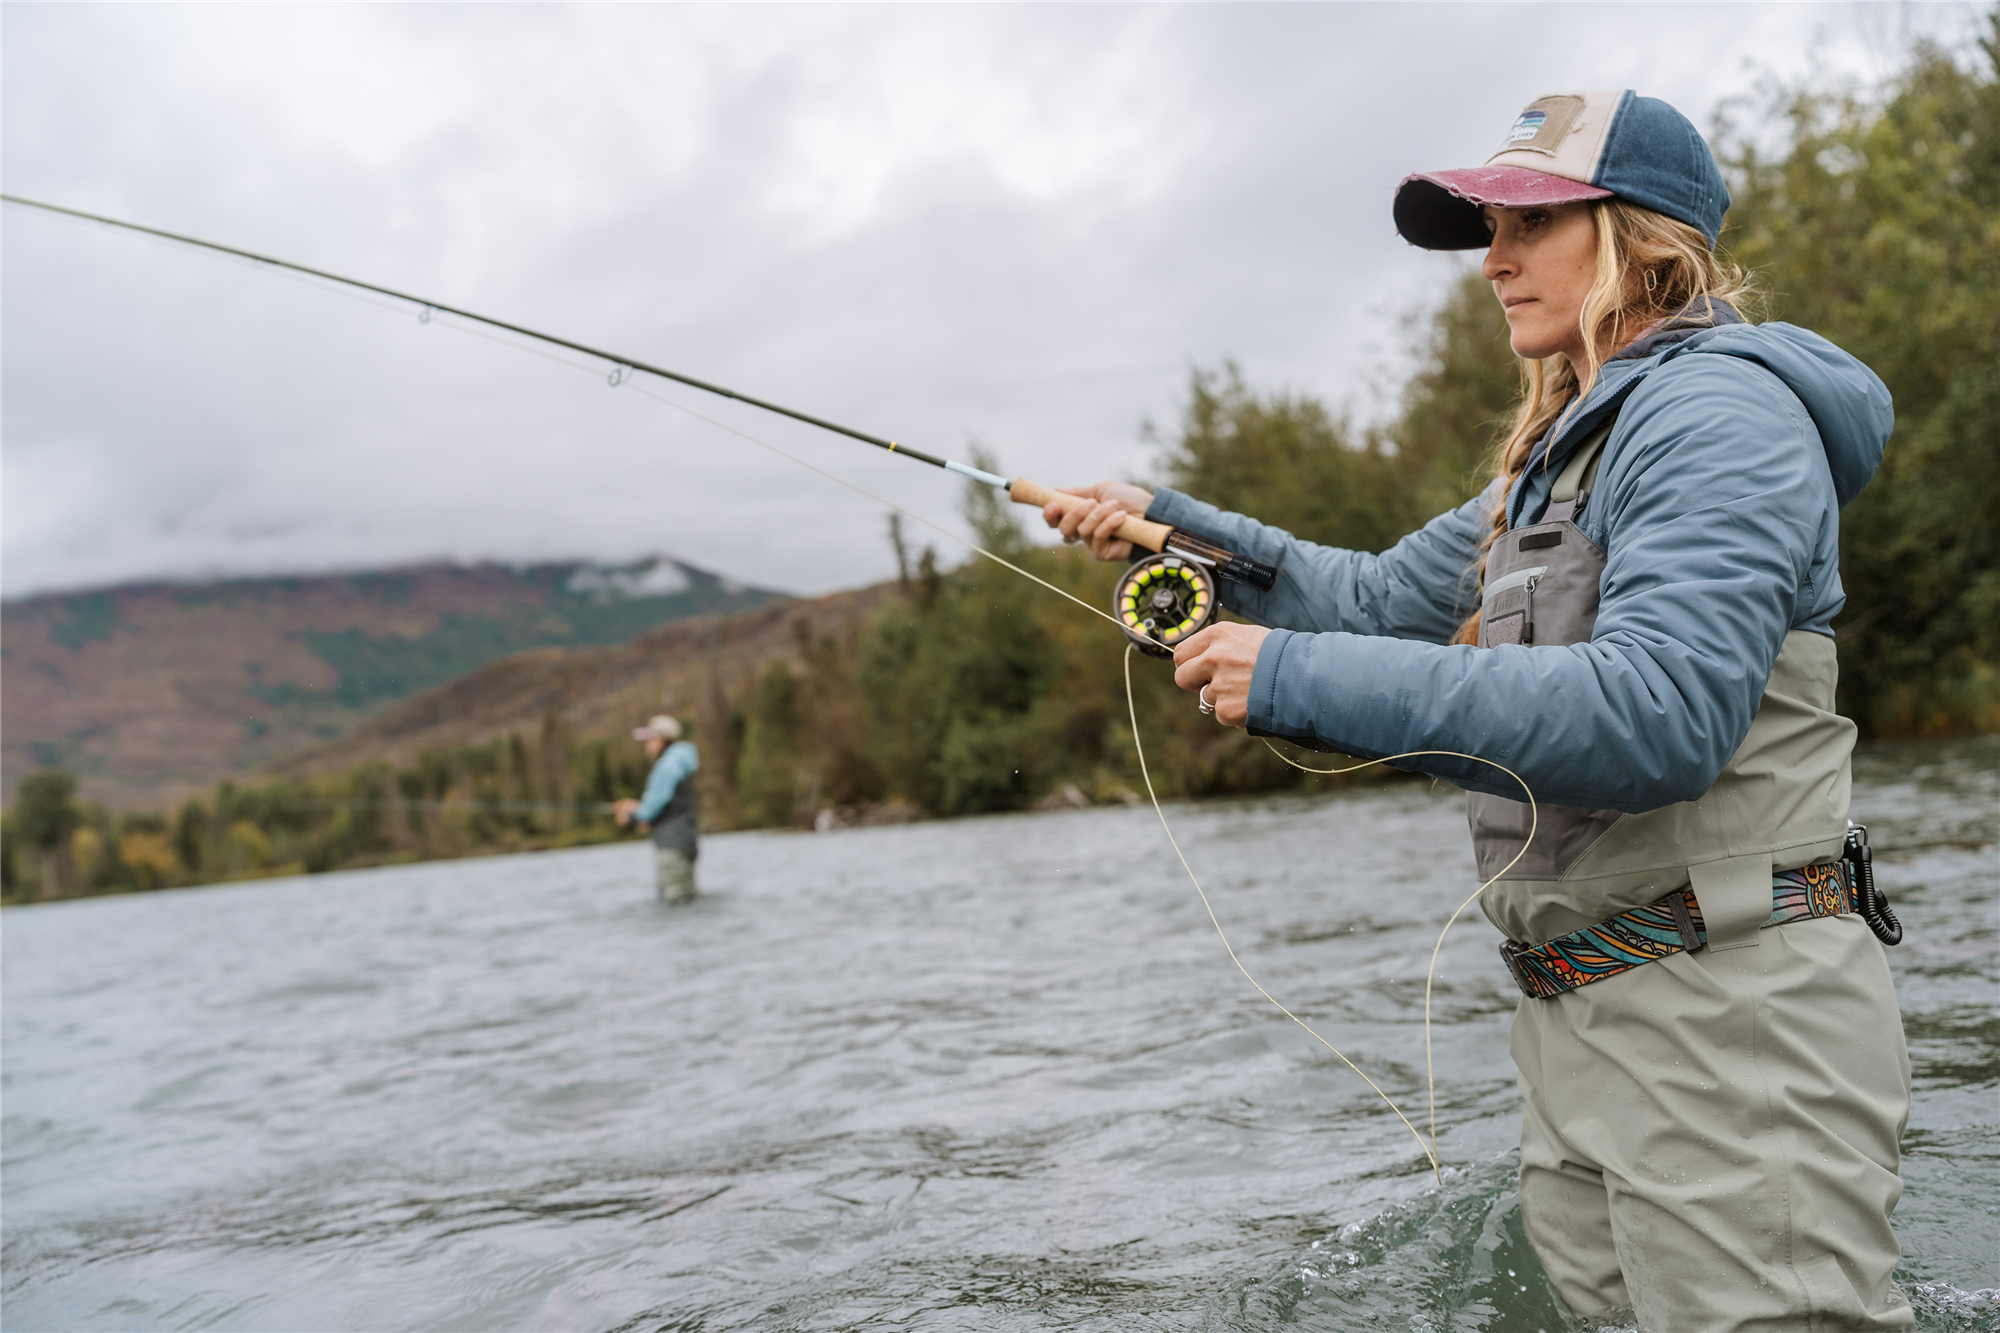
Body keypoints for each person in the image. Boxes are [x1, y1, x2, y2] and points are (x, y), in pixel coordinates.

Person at [1050, 92, 1908, 1330]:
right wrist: (1172, 524)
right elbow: (1373, 598)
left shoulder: (1719, 414)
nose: (1493, 260)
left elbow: (1660, 714)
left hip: (1731, 1028)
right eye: (1485, 228)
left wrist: (1289, 676)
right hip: (1589, 1021)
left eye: (1530, 222)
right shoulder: (1559, 455)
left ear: (1639, 235)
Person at [614, 714, 701, 905]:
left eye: (649, 739)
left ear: (661, 740)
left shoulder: (667, 766)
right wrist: (637, 808)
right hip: (687, 842)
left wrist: (631, 817)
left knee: (674, 904)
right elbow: (668, 805)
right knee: (689, 901)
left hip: (671, 847)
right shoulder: (681, 762)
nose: (645, 744)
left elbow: (651, 811)